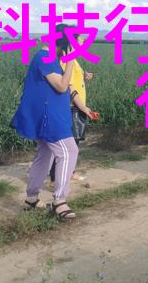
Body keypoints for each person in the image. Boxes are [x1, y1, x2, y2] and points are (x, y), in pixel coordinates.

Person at [10, 36, 78, 220]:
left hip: (49, 116)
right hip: (50, 119)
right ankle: (59, 201)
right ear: (65, 45)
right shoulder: (45, 57)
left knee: (45, 155)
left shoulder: (49, 58)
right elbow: (62, 86)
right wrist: (71, 61)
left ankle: (31, 199)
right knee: (69, 152)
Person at [49, 24, 94, 183]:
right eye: (81, 38)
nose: (84, 40)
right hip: (70, 107)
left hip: (75, 106)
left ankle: (69, 172)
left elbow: (75, 76)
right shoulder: (64, 60)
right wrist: (83, 107)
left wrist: (85, 74)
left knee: (73, 143)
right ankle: (56, 177)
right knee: (66, 145)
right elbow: (68, 86)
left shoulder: (73, 60)